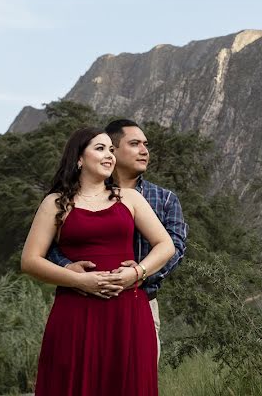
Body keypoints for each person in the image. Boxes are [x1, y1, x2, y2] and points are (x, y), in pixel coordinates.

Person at [21, 127, 174, 395]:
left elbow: (166, 245)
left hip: (128, 312)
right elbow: (30, 260)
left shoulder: (130, 198)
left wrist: (138, 272)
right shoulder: (55, 203)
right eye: (100, 149)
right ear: (79, 159)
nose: (110, 156)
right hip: (76, 313)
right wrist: (79, 280)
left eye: (112, 150)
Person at [46, 118, 188, 358]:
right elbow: (48, 247)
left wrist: (138, 275)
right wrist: (70, 270)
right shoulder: (70, 198)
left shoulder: (163, 198)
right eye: (135, 144)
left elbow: (174, 246)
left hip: (138, 301)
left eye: (146, 144)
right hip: (80, 299)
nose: (144, 151)